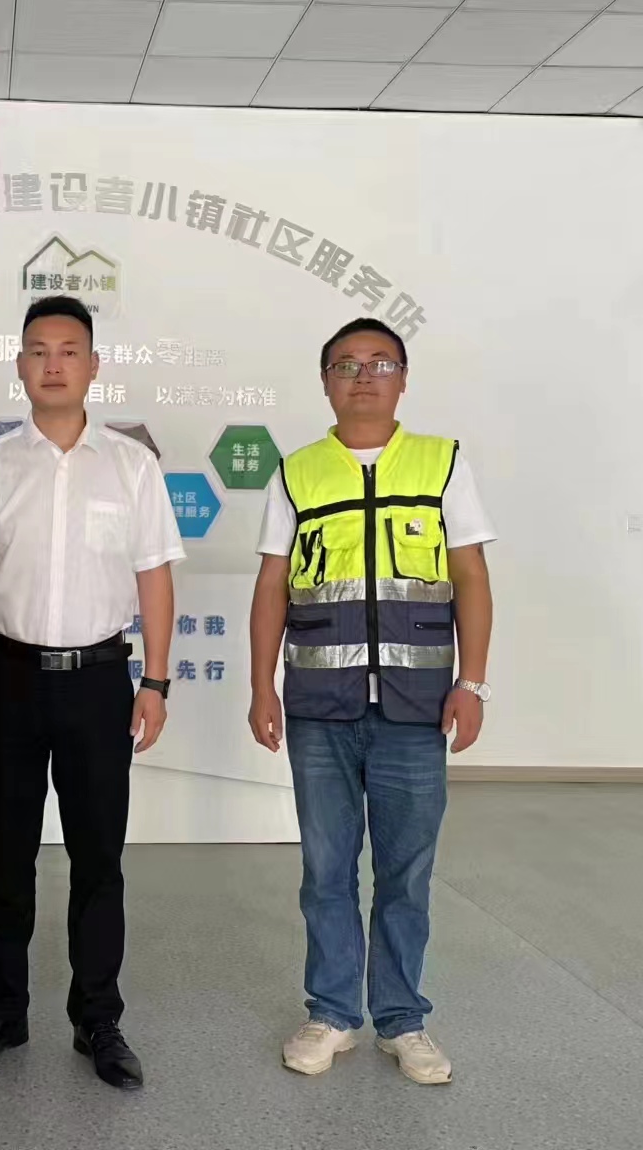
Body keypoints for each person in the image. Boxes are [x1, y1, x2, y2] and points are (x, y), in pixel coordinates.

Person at [0, 295, 182, 1091]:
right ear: (19, 365)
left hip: (100, 681)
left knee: (98, 859)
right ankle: (0, 1014)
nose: (53, 364)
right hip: (6, 677)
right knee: (6, 858)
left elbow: (154, 576)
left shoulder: (131, 464)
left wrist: (155, 680)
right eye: (39, 350)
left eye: (69, 350)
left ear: (93, 366)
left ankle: (98, 1019)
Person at [247, 317, 494, 1086]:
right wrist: (260, 685)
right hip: (320, 708)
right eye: (347, 364)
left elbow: (471, 575)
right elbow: (271, 584)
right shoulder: (297, 472)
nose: (363, 376)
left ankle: (402, 1020)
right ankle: (331, 1014)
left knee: (405, 875)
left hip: (417, 711)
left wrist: (473, 684)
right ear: (325, 381)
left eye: (380, 363)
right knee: (325, 872)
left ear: (403, 379)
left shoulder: (442, 462)